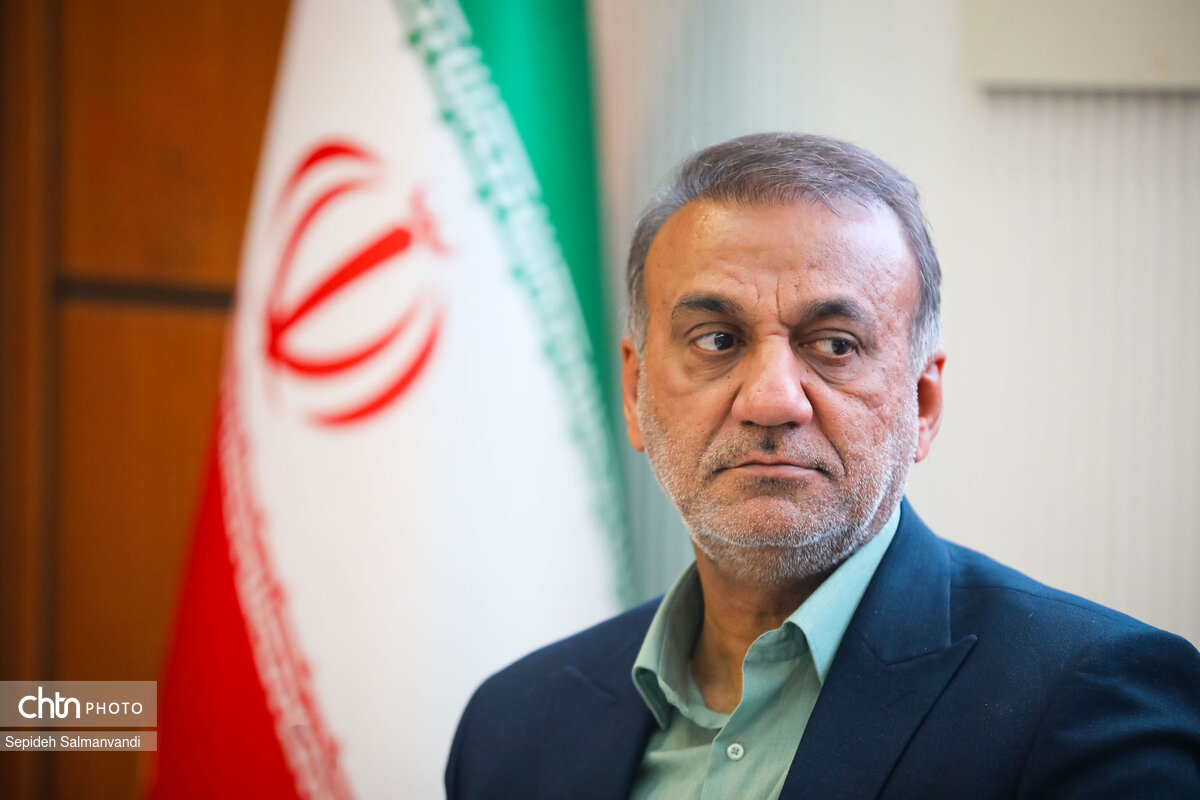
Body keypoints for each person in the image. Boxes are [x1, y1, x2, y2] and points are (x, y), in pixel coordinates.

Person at [445, 133, 1200, 799]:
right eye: (716, 340)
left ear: (923, 403)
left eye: (835, 345)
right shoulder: (512, 725)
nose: (772, 401)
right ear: (636, 394)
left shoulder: (1090, 700)